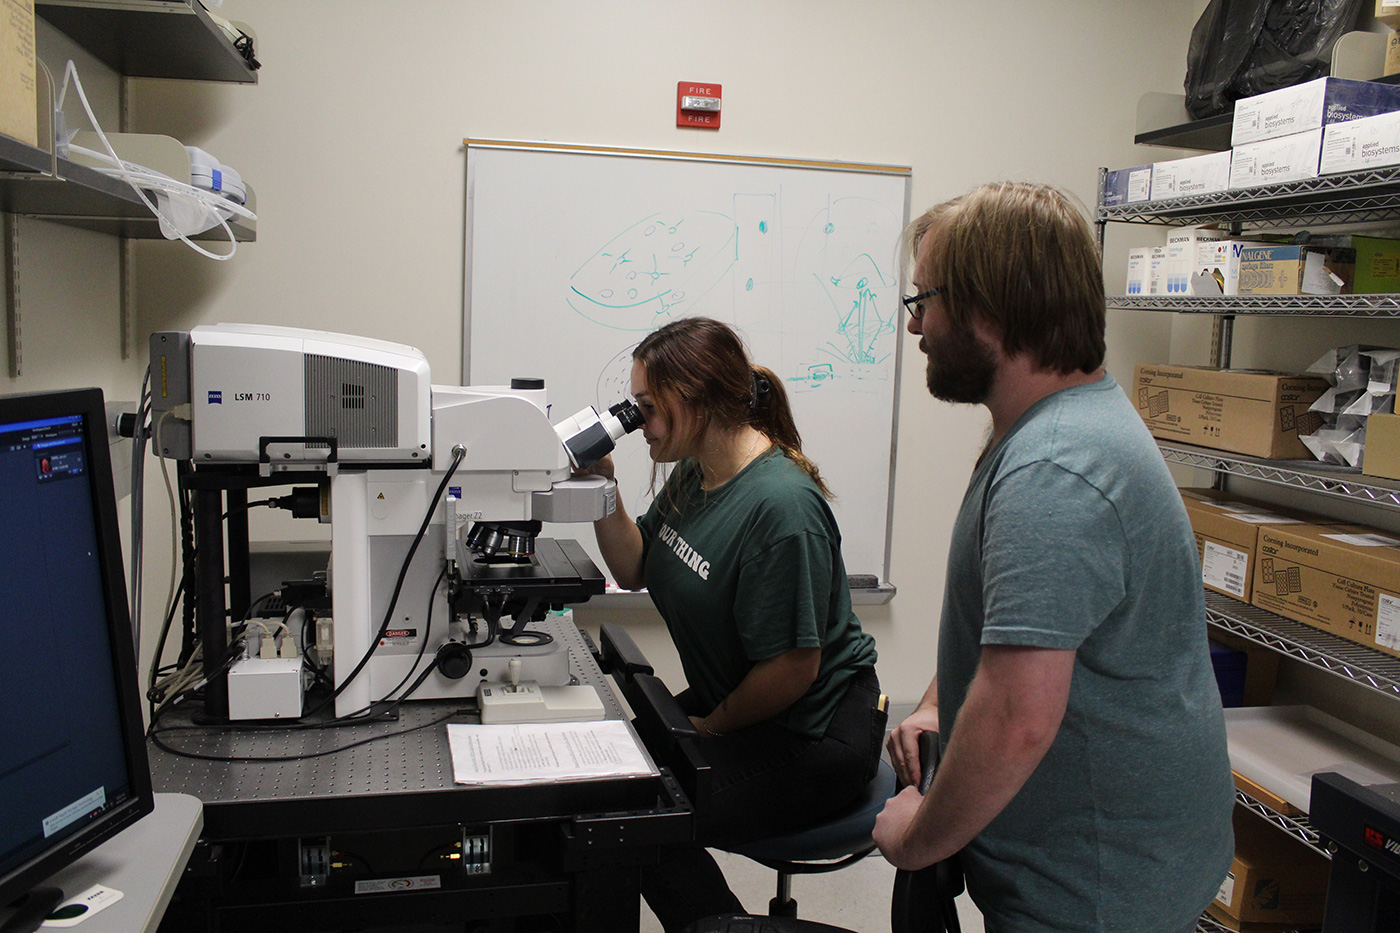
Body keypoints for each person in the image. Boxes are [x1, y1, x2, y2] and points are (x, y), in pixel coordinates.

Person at [873, 182, 1234, 933]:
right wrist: (941, 699)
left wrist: (916, 837)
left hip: (1091, 890)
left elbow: (1017, 719)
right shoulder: (1054, 427)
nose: (914, 325)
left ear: (990, 310)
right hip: (1099, 863)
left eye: (924, 300)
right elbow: (1019, 621)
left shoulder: (1055, 469)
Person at [583, 316, 882, 933]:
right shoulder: (697, 470)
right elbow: (634, 567)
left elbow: (793, 668)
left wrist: (711, 727)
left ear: (695, 400)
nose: (637, 423)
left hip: (813, 729)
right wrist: (603, 488)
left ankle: (722, 927)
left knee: (633, 819)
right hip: (746, 698)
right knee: (605, 774)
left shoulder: (781, 508)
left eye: (647, 408)